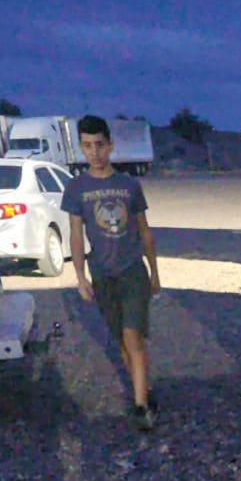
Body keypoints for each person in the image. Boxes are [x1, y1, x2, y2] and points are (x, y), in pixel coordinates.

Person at [61, 114, 161, 430]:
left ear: (111, 146)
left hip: (132, 271)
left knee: (133, 335)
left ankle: (141, 406)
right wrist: (80, 276)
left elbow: (144, 231)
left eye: (100, 145)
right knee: (121, 340)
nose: (95, 152)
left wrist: (155, 272)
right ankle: (143, 389)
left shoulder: (129, 185)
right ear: (81, 147)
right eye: (88, 146)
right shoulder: (76, 188)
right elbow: (76, 235)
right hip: (102, 274)